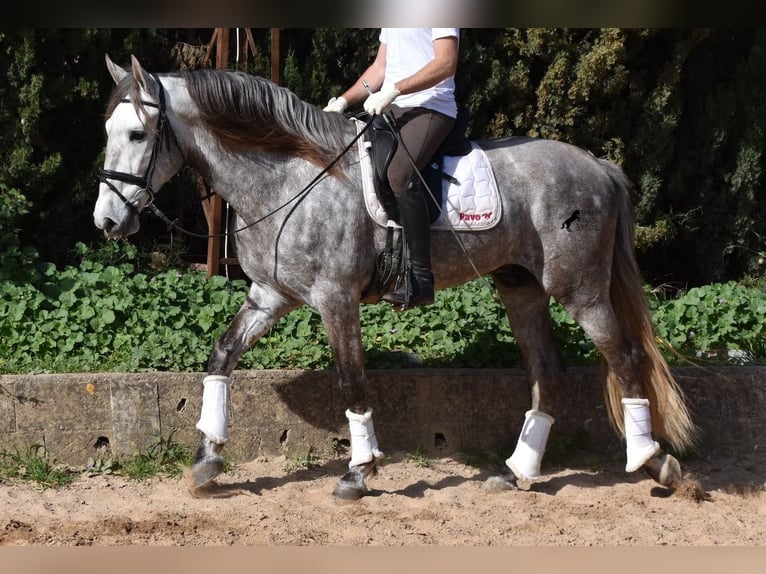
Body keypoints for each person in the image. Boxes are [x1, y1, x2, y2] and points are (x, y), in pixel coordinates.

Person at [324, 28, 460, 310]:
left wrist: (396, 88)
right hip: (392, 107)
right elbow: (379, 67)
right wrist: (343, 102)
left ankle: (421, 279)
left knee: (399, 173)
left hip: (431, 107)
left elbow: (446, 62)